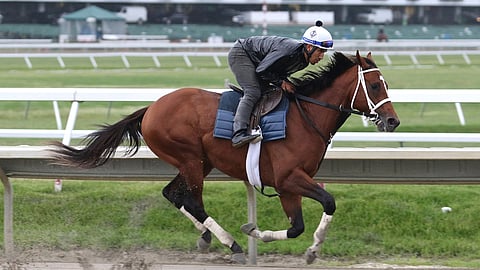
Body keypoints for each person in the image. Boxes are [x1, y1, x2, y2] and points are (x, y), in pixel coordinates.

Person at [227, 20, 334, 148]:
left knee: (276, 93)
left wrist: (285, 83)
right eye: (321, 51)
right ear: (309, 47)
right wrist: (281, 82)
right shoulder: (288, 50)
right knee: (253, 92)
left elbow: (277, 72)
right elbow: (262, 70)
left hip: (258, 62)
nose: (322, 57)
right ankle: (238, 133)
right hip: (242, 53)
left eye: (324, 52)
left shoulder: (303, 61)